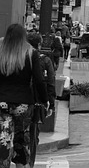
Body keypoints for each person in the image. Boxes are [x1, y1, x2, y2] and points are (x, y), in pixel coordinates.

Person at [0, 23, 48, 168]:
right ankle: (21, 164)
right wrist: (45, 100)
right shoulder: (30, 52)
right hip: (23, 102)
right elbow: (39, 80)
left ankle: (3, 162)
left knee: (4, 139)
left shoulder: (1, 51)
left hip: (2, 101)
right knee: (22, 140)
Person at [26, 32, 56, 167]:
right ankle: (29, 162)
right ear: (39, 44)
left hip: (18, 101)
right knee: (33, 134)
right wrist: (50, 103)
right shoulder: (44, 60)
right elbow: (50, 82)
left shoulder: (19, 56)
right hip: (36, 102)